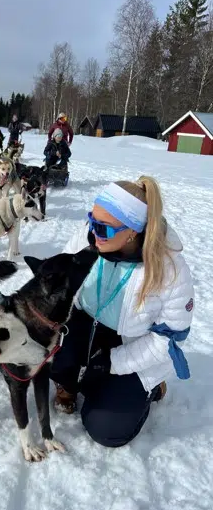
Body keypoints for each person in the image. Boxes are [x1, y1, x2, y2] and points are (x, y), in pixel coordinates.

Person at [51, 176, 194, 448]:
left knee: (105, 428)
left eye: (102, 228)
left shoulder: (169, 269)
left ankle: (150, 389)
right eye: (90, 220)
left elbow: (169, 340)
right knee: (42, 355)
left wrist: (113, 362)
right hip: (86, 324)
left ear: (132, 231)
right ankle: (72, 381)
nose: (92, 233)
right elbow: (61, 278)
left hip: (133, 343)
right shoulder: (90, 237)